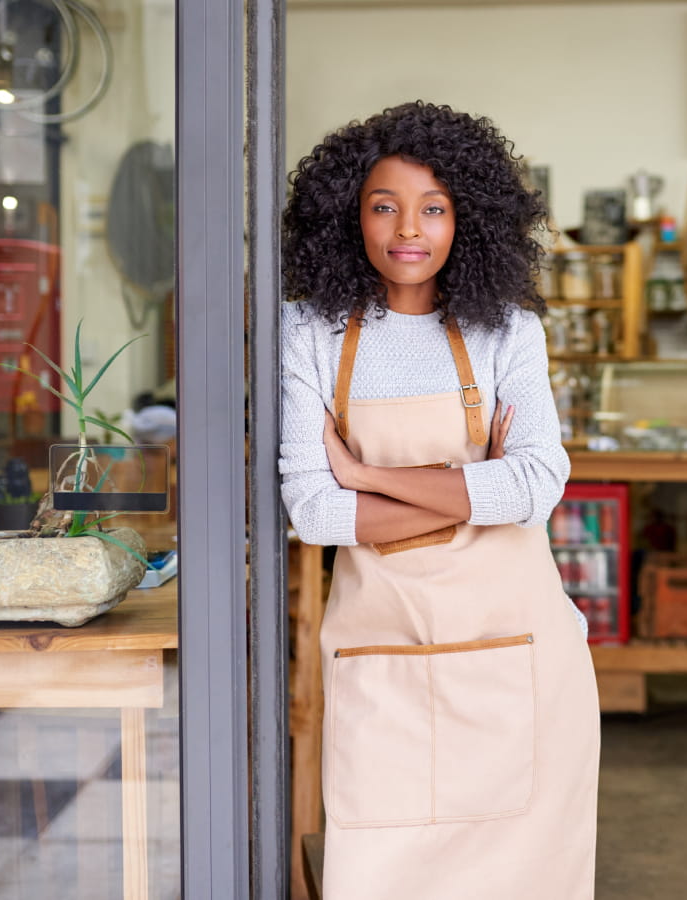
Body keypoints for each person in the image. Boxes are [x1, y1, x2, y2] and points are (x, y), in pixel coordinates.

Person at [279, 101, 597, 899]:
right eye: (383, 207)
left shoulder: (509, 331)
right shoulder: (309, 331)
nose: (407, 230)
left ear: (469, 220)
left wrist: (368, 477)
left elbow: (536, 485)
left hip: (521, 657)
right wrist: (472, 487)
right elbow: (311, 514)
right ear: (349, 217)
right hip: (380, 657)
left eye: (433, 208)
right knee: (376, 871)